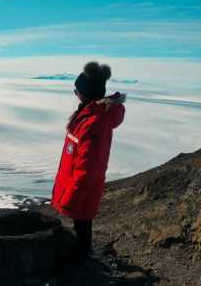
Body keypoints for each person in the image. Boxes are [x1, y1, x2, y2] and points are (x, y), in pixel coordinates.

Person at [51, 61, 126, 262]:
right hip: (81, 189)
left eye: (77, 90)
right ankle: (82, 258)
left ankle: (82, 264)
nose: (75, 93)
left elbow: (87, 168)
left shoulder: (93, 123)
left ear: (86, 93)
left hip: (82, 191)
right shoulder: (88, 114)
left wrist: (71, 198)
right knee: (81, 224)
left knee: (82, 226)